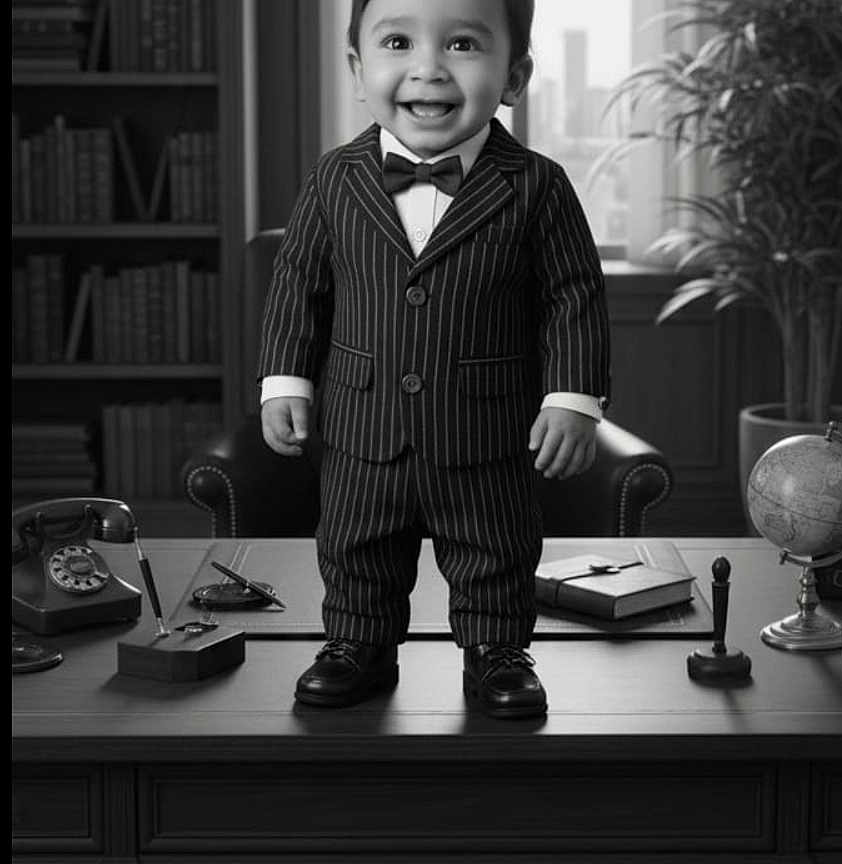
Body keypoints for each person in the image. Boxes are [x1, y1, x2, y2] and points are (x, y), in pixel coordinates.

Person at [258, 0, 610, 719]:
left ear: (514, 77)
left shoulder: (539, 185)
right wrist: (284, 380)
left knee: (494, 548)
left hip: (484, 428)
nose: (428, 68)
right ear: (358, 69)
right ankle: (358, 644)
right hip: (363, 423)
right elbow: (299, 285)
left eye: (462, 44)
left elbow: (573, 296)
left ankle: (496, 651)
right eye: (397, 41)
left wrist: (572, 398)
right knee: (356, 544)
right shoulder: (333, 178)